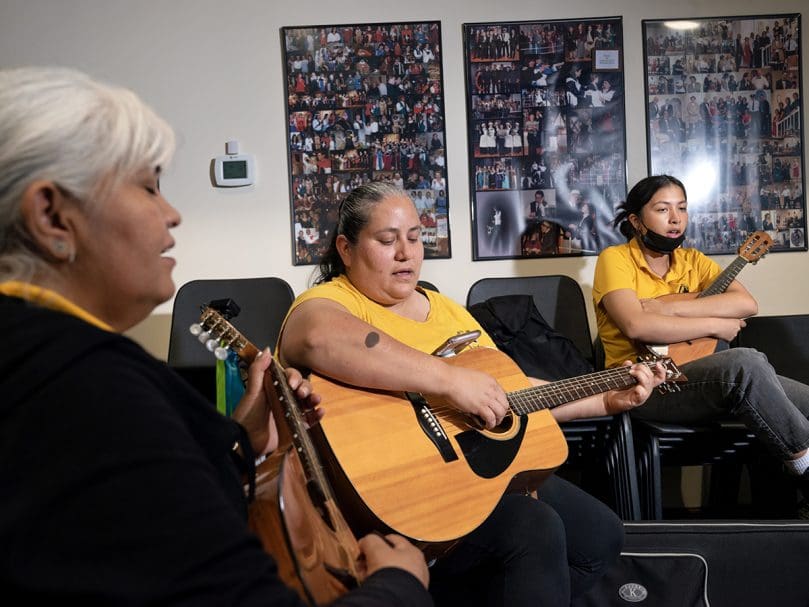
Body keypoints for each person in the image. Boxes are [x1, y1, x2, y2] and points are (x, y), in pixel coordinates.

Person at [0, 67, 431, 605]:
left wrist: (242, 443)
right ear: (51, 216)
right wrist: (400, 585)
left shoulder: (40, 360)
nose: (173, 213)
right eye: (148, 186)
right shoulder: (89, 388)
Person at [277, 181, 666, 606]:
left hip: (475, 472)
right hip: (400, 491)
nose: (406, 253)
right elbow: (315, 338)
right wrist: (449, 380)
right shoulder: (333, 300)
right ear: (346, 249)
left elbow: (507, 396)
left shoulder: (445, 310)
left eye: (414, 237)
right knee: (533, 528)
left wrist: (605, 400)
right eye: (387, 240)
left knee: (600, 537)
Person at [593, 175, 809, 514]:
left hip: (701, 377)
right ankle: (805, 473)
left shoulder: (694, 261)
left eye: (682, 208)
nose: (675, 218)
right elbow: (637, 324)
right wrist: (716, 324)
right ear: (636, 220)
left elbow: (746, 305)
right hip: (646, 385)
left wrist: (669, 306)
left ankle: (792, 510)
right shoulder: (614, 259)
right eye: (662, 209)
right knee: (746, 363)